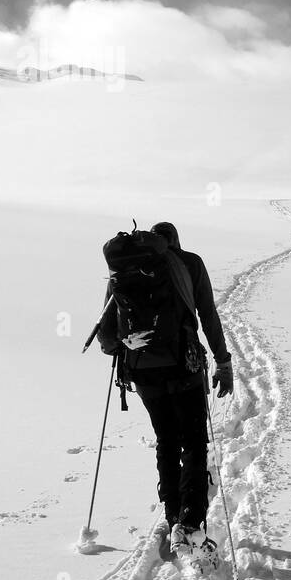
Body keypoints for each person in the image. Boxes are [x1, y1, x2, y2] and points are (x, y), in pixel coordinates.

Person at [98, 221, 233, 559]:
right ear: (175, 241)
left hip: (142, 369)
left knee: (167, 440)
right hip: (184, 365)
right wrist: (223, 362)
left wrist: (129, 343)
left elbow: (106, 336)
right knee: (193, 441)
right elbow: (208, 315)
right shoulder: (190, 263)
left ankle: (173, 516)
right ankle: (192, 522)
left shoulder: (125, 272)